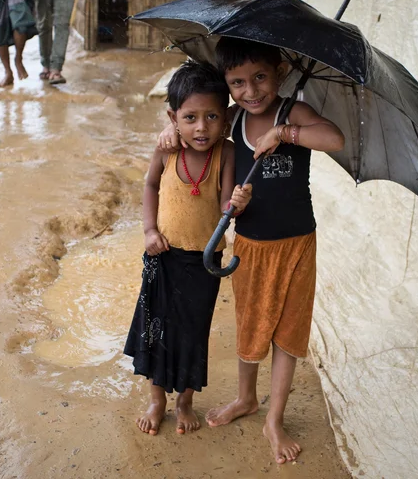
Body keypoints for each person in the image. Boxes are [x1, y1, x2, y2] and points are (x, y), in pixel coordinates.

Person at [157, 38, 345, 464]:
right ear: (227, 84)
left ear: (279, 72)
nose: (250, 90)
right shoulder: (232, 121)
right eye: (237, 82)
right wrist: (169, 128)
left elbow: (334, 137)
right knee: (251, 325)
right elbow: (194, 130)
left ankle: (274, 419)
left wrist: (286, 133)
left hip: (298, 244)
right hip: (253, 247)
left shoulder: (291, 113)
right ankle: (246, 398)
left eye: (259, 77)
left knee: (289, 333)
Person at [125, 61, 253, 437]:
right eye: (191, 117)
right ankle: (156, 400)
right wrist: (149, 230)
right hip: (161, 256)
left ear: (226, 119)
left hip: (204, 261)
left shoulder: (226, 153)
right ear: (173, 117)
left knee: (193, 330)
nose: (202, 127)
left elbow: (226, 205)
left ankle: (184, 401)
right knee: (156, 328)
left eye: (212, 116)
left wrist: (239, 201)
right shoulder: (165, 150)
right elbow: (149, 187)